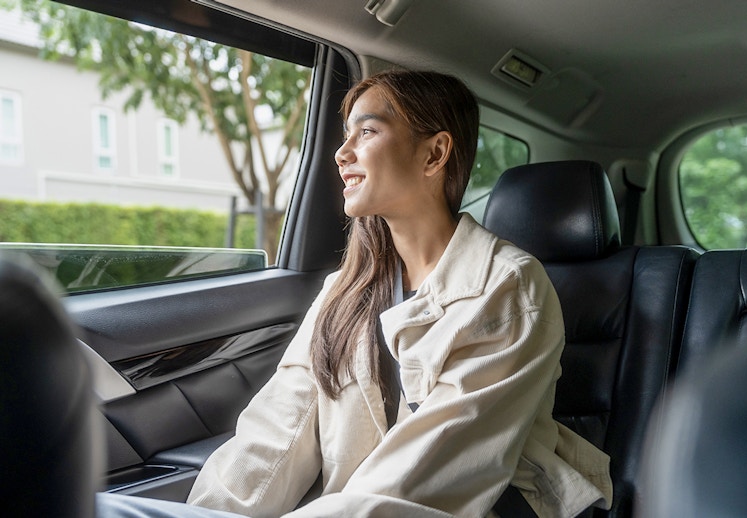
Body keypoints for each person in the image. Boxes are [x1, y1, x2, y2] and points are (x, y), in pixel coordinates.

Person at [98, 70, 611, 517]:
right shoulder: (346, 290)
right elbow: (276, 435)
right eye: (346, 136)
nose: (342, 154)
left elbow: (422, 483)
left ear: (435, 153)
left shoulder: (509, 288)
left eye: (366, 131)